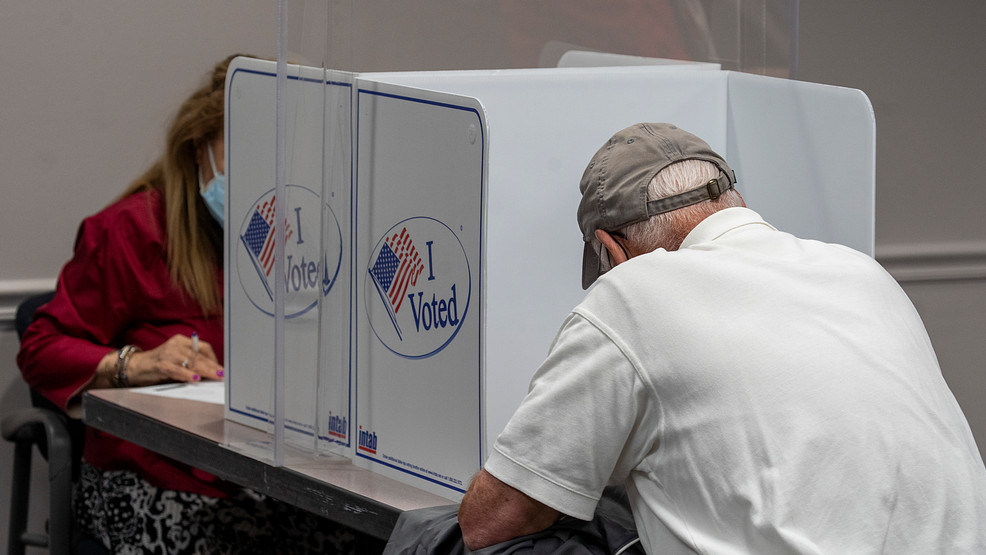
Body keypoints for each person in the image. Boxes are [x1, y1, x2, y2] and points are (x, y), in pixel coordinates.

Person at [457, 123, 986, 553]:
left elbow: (495, 520)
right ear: (732, 202)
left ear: (610, 251)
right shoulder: (860, 271)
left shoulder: (632, 296)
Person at [17, 55, 358, 554]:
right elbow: (40, 347)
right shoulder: (133, 231)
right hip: (155, 481)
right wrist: (137, 363)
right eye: (247, 154)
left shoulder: (299, 239)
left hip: (274, 477)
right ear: (200, 150)